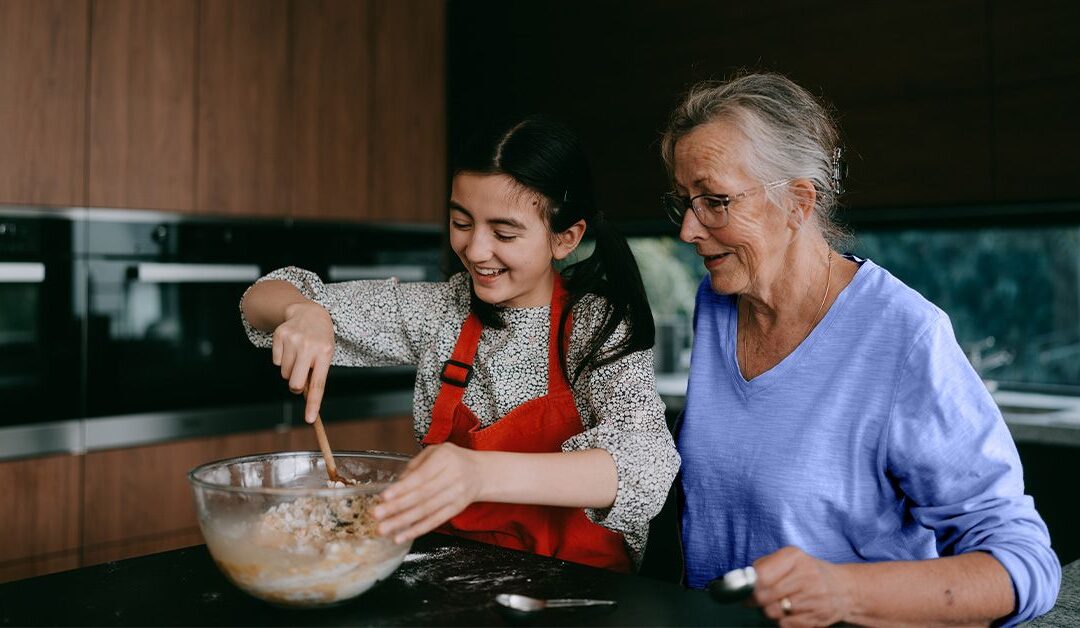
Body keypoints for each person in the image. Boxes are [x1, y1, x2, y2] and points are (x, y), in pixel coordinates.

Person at [660, 73, 1060, 625]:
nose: (688, 229)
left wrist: (840, 591)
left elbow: (1023, 565)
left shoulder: (904, 334)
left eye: (715, 201)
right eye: (684, 201)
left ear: (798, 201)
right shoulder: (719, 300)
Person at [240, 115, 680, 572]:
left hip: (578, 588)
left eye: (504, 233)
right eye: (461, 222)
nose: (475, 250)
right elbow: (260, 298)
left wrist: (479, 474)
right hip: (453, 578)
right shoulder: (441, 311)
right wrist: (302, 312)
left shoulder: (597, 325)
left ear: (565, 238)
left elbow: (646, 466)